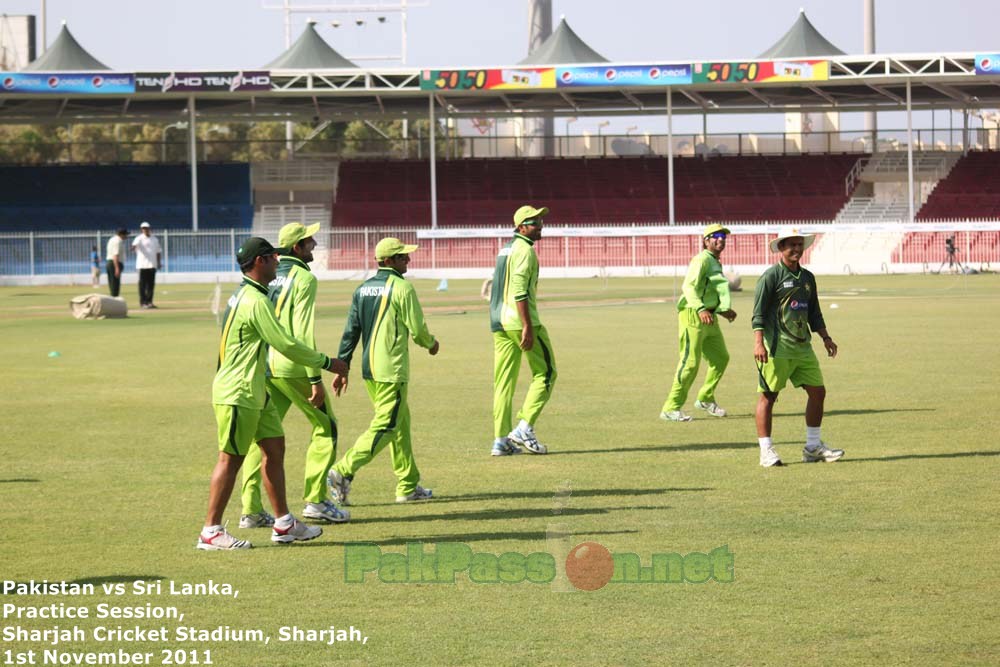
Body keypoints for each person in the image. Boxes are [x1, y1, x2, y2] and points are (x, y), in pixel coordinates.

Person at [197, 237, 349, 551]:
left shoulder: (245, 294)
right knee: (231, 459)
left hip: (255, 388)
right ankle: (210, 531)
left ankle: (284, 523)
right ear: (260, 262)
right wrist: (328, 363)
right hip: (238, 391)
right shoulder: (254, 301)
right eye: (273, 258)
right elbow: (286, 344)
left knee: (275, 448)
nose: (278, 262)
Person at [239, 222, 349, 529]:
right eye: (308, 241)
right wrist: (315, 378)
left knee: (259, 439)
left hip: (265, 366)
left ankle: (250, 509)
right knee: (327, 428)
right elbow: (301, 332)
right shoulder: (303, 277)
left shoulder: (266, 277)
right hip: (292, 366)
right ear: (296, 248)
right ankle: (315, 500)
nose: (314, 244)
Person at [326, 237, 439, 505]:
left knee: (400, 425)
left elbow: (351, 330)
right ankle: (343, 470)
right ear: (388, 261)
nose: (408, 260)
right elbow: (418, 330)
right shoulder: (402, 287)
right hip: (391, 371)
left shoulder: (363, 289)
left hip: (370, 371)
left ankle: (408, 485)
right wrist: (431, 343)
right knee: (387, 426)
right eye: (402, 257)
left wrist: (343, 365)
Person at [752, 227, 844, 468]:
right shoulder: (770, 277)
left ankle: (812, 447)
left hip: (803, 349)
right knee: (768, 396)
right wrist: (758, 343)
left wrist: (825, 337)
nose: (796, 249)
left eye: (799, 244)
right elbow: (758, 313)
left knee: (818, 392)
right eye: (791, 244)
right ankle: (766, 451)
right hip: (776, 349)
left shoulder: (807, 278)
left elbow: (814, 312)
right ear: (781, 248)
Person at [489, 204, 557, 456]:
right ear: (520, 227)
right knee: (547, 374)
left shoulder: (505, 249)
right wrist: (527, 325)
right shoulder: (525, 251)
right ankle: (524, 427)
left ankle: (500, 440)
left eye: (540, 221)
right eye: (534, 222)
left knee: (503, 383)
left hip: (499, 322)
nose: (540, 226)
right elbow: (519, 290)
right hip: (520, 323)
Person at [660, 223, 736, 422]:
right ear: (706, 240)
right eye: (716, 235)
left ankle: (705, 398)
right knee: (690, 363)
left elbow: (710, 290)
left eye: (723, 236)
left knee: (721, 358)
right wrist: (701, 308)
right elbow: (689, 287)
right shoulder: (701, 259)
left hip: (709, 317)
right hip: (693, 315)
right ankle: (671, 407)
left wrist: (723, 310)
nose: (721, 239)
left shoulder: (714, 261)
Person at [132, 221, 162, 308]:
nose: (145, 230)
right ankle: (143, 302)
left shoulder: (155, 239)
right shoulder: (139, 238)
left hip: (152, 264)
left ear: (149, 228)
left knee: (151, 285)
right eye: (143, 228)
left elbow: (158, 252)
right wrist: (134, 247)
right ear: (141, 229)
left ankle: (149, 302)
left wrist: (159, 262)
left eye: (146, 228)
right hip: (142, 265)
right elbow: (133, 246)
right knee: (142, 285)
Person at [105, 228, 127, 298]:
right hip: (114, 263)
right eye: (125, 234)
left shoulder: (112, 239)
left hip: (110, 262)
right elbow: (115, 255)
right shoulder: (118, 241)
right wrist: (117, 268)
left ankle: (113, 299)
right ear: (121, 234)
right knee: (115, 284)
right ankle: (114, 300)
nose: (126, 236)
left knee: (112, 283)